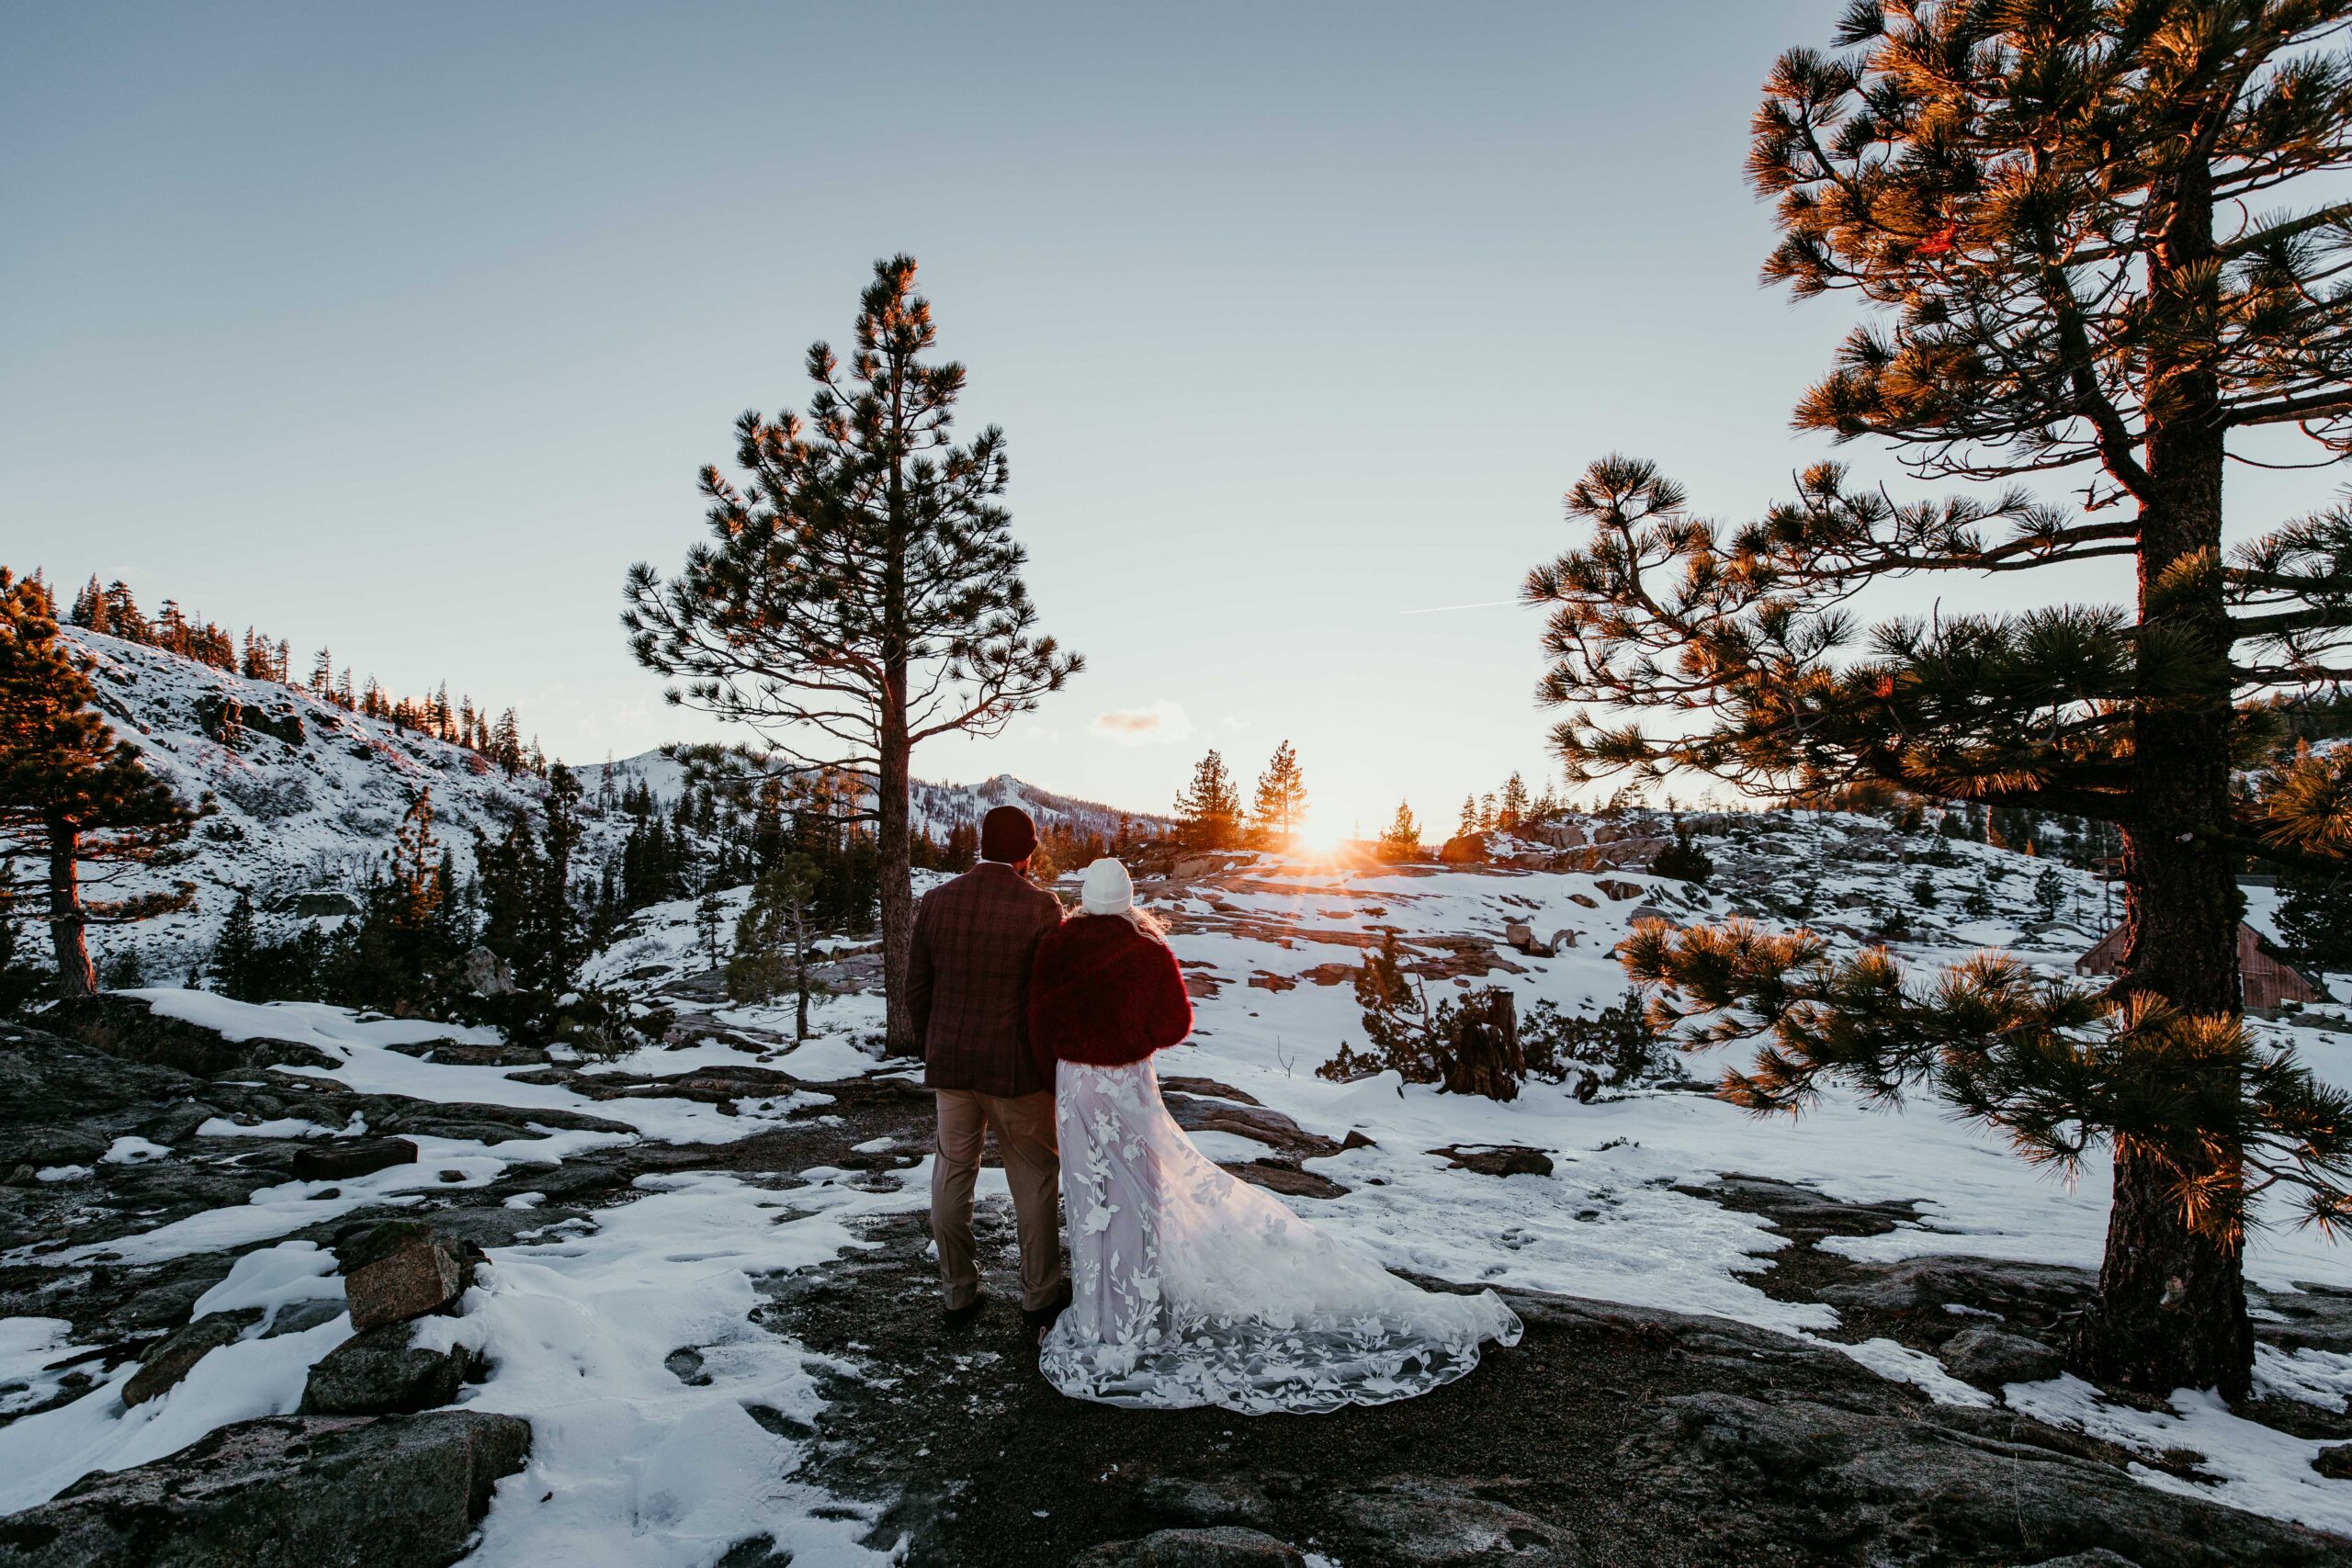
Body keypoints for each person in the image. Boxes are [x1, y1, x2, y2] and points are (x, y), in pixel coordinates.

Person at [1028, 857, 1522, 1414]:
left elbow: (1039, 1026)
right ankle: (1132, 1320)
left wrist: (1071, 1064)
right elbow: (1174, 1027)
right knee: (1136, 1200)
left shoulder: (1054, 947)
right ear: (1127, 900)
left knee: (1089, 1198)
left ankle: (1098, 1319)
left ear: (1085, 899)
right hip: (1125, 1084)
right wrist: (1128, 1032)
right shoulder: (1146, 951)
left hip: (1075, 1088)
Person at [906, 804, 1069, 1332]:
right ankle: (1039, 1296)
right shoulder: (1041, 908)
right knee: (1035, 1176)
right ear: (1027, 852)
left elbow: (917, 988)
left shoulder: (936, 901)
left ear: (981, 845)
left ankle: (958, 1291)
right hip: (1015, 1069)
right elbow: (1050, 998)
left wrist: (935, 1044)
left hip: (951, 1063)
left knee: (953, 1171)